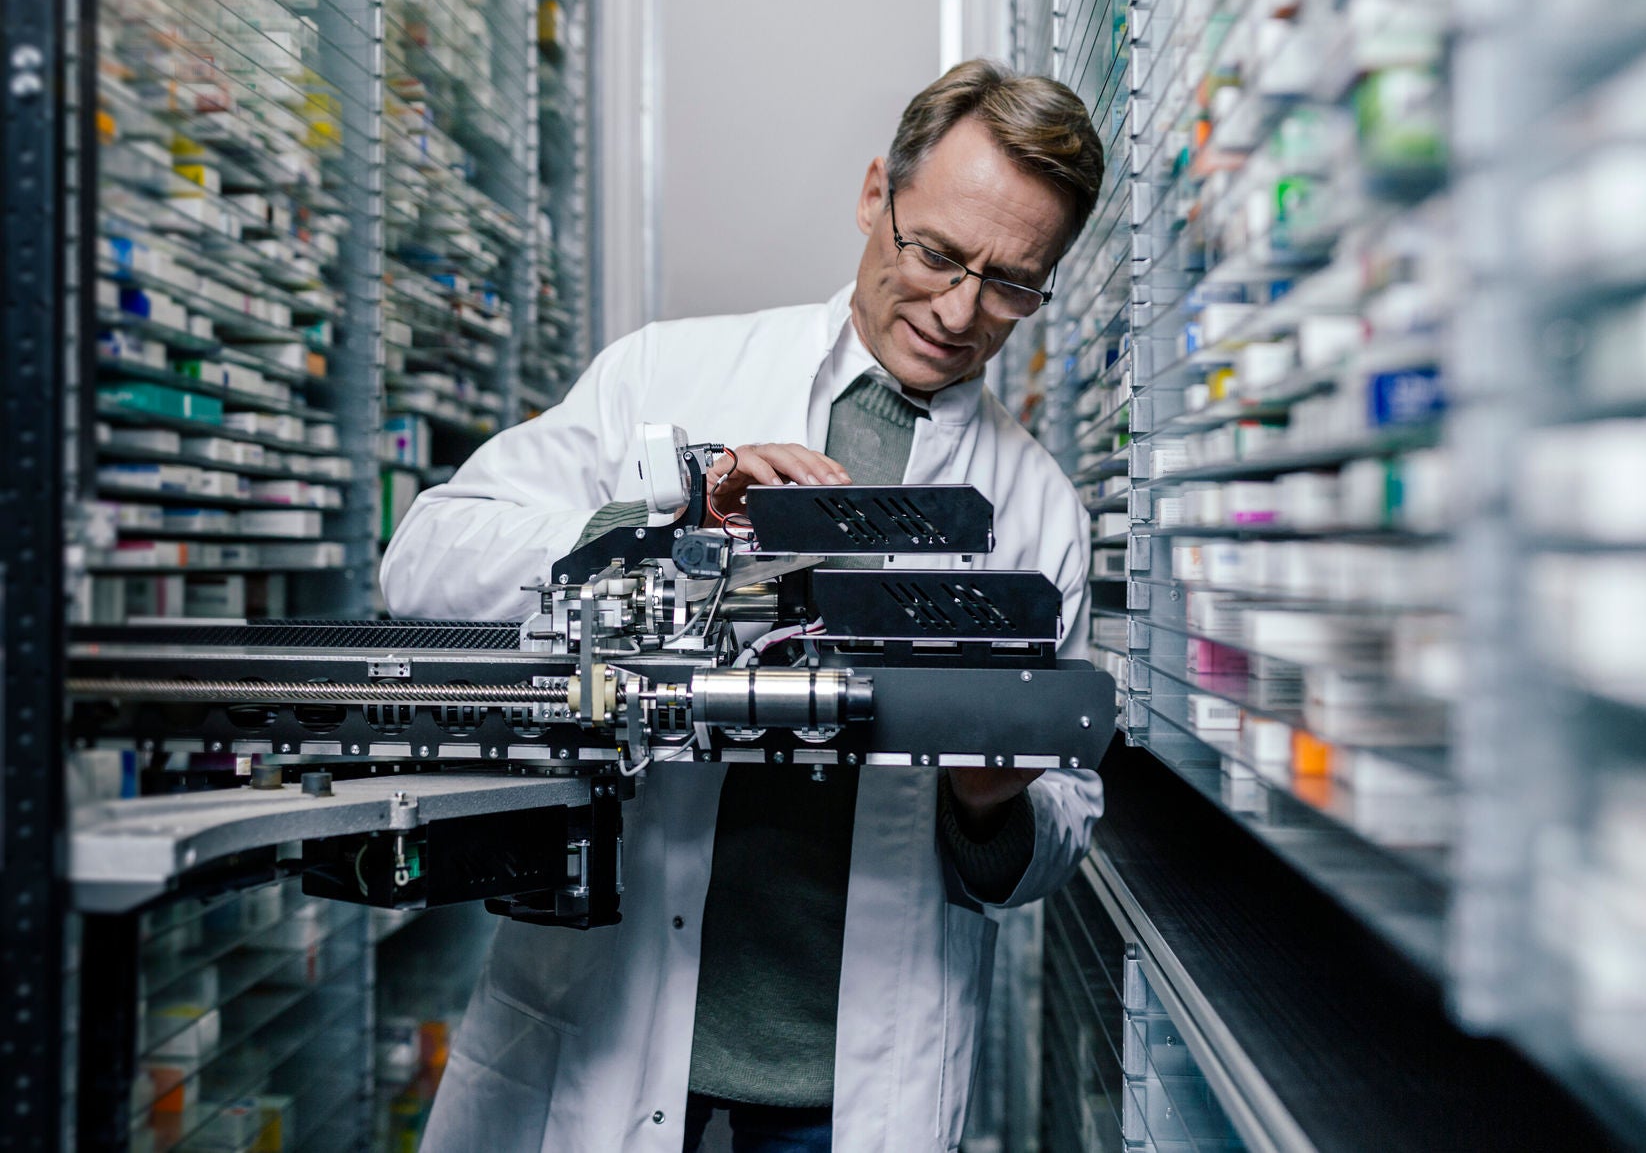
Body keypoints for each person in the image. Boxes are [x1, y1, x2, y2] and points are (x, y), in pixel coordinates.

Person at [384, 59, 1107, 1153]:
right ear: (876, 195)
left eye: (1011, 282)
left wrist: (991, 804)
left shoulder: (1035, 507)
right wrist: (658, 537)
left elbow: (1051, 835)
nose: (961, 311)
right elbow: (424, 561)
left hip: (844, 1095)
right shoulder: (668, 375)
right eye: (937, 254)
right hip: (610, 1027)